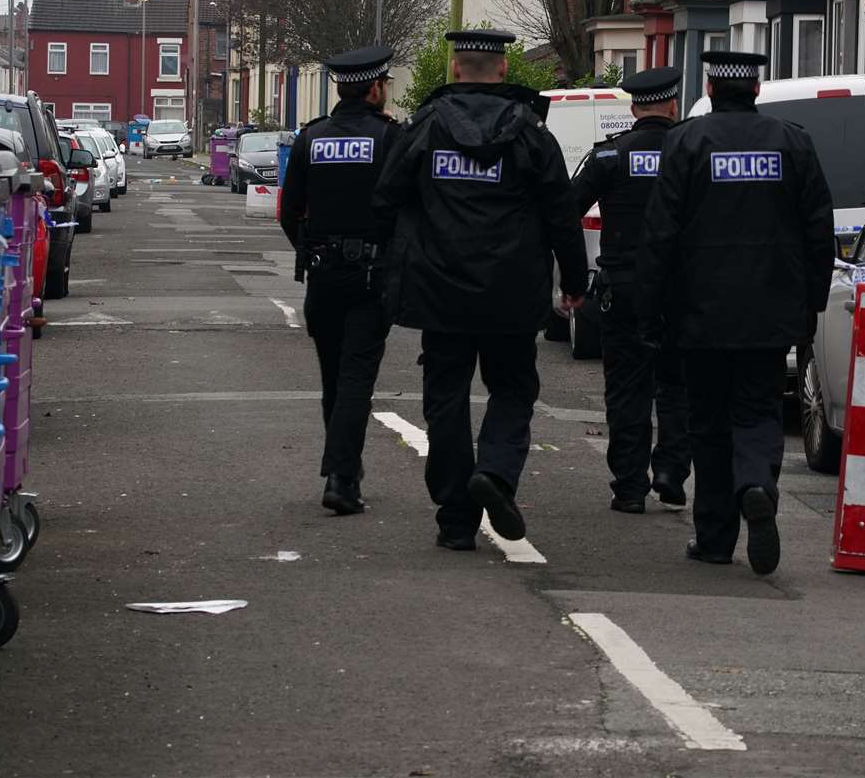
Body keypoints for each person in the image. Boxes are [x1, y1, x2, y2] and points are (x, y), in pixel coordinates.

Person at [374, 28, 587, 550]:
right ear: (502, 71)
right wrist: (575, 282)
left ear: (454, 70)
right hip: (512, 292)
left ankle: (455, 518)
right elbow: (563, 214)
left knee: (445, 397)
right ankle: (494, 470)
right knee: (513, 389)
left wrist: (391, 268)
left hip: (439, 290)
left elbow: (385, 199)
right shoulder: (532, 135)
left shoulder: (424, 128)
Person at [637, 51, 833, 575]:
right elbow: (819, 229)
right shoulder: (792, 143)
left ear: (709, 85)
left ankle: (717, 537)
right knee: (758, 408)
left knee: (707, 422)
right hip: (770, 309)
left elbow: (659, 235)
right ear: (756, 88)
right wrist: (812, 300)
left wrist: (649, 306)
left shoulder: (685, 142)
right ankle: (757, 484)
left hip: (699, 312)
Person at [279, 44, 402, 516]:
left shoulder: (313, 138)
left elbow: (290, 211)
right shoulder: (391, 138)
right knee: (356, 378)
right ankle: (342, 476)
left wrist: (310, 251)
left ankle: (342, 467)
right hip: (372, 277)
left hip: (323, 276)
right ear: (375, 89)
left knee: (334, 377)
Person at [571, 67, 692, 514]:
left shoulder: (610, 157)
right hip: (681, 290)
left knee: (627, 388)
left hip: (623, 287)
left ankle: (629, 486)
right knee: (677, 382)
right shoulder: (692, 152)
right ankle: (672, 471)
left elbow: (567, 210)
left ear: (634, 107)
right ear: (673, 105)